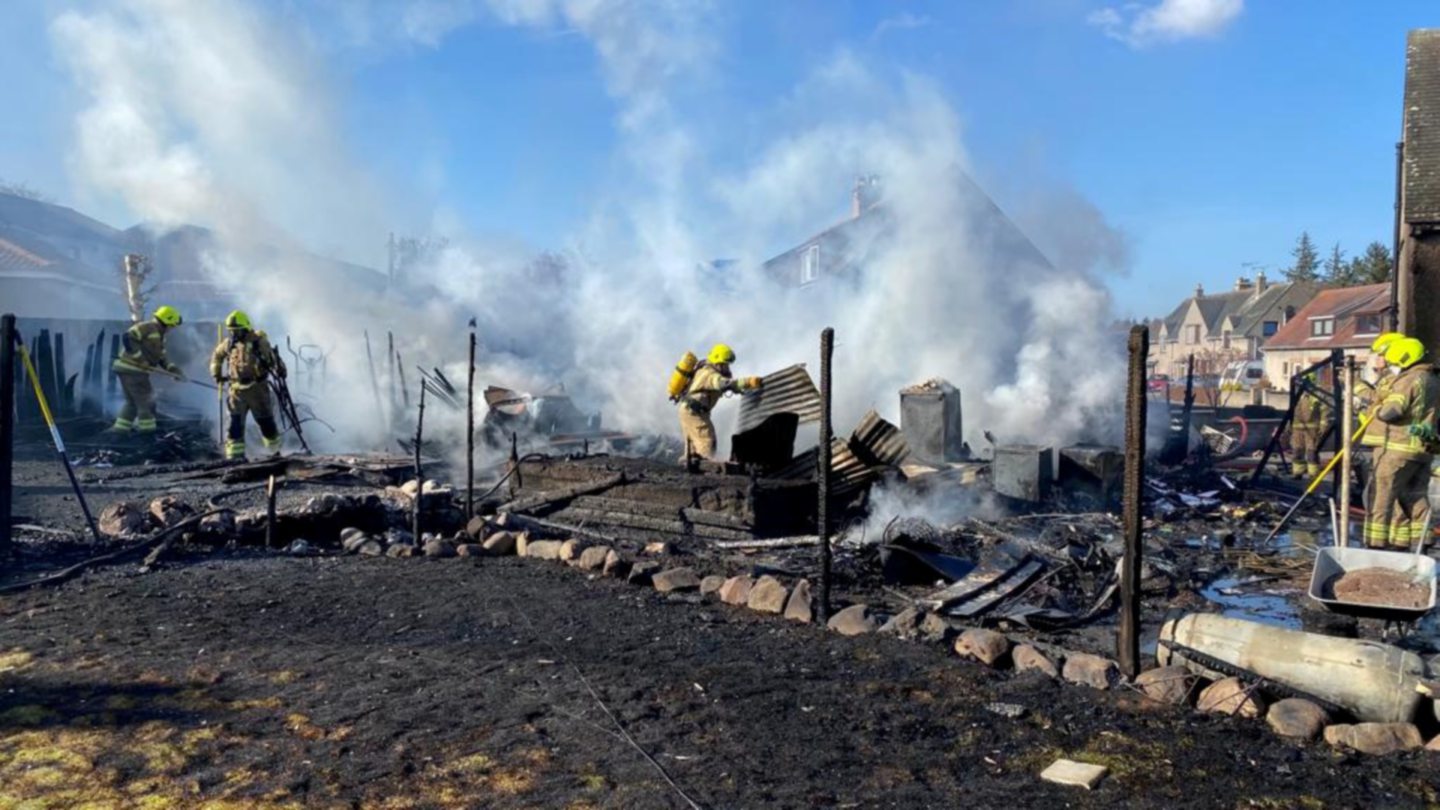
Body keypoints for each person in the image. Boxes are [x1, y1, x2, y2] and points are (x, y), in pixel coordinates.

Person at [1363, 337, 1440, 550]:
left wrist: (1377, 410)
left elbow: (1392, 411)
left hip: (1397, 447)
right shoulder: (1433, 379)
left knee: (1381, 496)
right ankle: (1422, 540)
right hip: (1422, 449)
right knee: (1414, 496)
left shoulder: (1408, 380)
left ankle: (1376, 545)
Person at [210, 310, 287, 460]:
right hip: (236, 392)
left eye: (236, 330)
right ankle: (235, 458)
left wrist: (280, 370)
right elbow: (217, 356)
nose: (234, 333)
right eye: (231, 330)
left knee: (266, 424)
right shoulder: (229, 343)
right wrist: (216, 373)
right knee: (234, 426)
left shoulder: (259, 341)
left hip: (257, 389)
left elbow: (273, 359)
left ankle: (275, 453)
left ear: (245, 327)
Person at [676, 343, 761, 460]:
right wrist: (748, 382)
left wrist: (741, 390)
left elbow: (727, 386)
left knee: (693, 445)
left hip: (689, 410)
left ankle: (689, 468)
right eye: (725, 365)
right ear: (717, 362)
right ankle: (704, 469)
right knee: (707, 440)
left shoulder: (704, 371)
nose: (727, 368)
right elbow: (723, 384)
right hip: (694, 412)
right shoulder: (709, 374)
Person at [109, 305, 184, 435]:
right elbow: (128, 337)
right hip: (133, 371)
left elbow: (161, 357)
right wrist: (141, 360)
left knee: (132, 403)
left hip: (131, 371)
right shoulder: (148, 327)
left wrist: (174, 370)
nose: (172, 329)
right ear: (167, 321)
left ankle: (119, 430)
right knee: (147, 403)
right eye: (173, 325)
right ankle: (147, 434)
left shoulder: (159, 336)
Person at [1355, 332, 1406, 505]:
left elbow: (1379, 401)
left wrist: (1357, 386)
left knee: (1381, 495)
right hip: (1383, 440)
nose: (1376, 360)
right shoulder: (1387, 377)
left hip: (1390, 443)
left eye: (1380, 356)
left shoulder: (1395, 379)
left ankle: (1378, 530)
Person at [1288, 370, 1329, 478]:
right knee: (1297, 451)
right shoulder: (1298, 396)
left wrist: (1323, 425)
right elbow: (1292, 412)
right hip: (1297, 429)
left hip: (1312, 430)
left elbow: (1324, 411)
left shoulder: (1318, 396)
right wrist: (1289, 426)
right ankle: (1298, 473)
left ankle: (1313, 474)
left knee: (1312, 452)